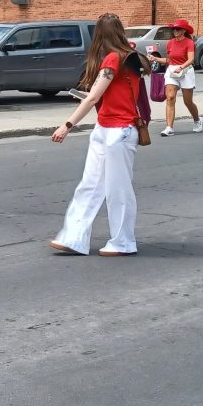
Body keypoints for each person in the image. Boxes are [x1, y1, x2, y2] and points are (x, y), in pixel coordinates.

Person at [48, 13, 144, 257]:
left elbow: (93, 97)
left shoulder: (113, 58)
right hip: (112, 128)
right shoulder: (131, 56)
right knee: (98, 186)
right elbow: (107, 96)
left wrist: (67, 125)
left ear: (99, 35)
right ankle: (75, 238)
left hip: (116, 130)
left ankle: (121, 242)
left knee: (111, 188)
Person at [146, 19, 202, 136]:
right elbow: (169, 60)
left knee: (188, 101)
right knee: (170, 97)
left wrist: (181, 67)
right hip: (172, 71)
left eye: (177, 29)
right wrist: (155, 59)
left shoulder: (189, 42)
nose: (175, 31)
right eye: (174, 29)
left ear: (183, 31)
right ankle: (169, 128)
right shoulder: (170, 43)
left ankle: (197, 120)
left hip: (185, 70)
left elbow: (191, 59)